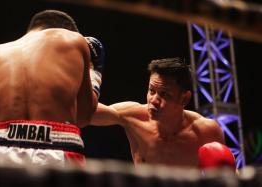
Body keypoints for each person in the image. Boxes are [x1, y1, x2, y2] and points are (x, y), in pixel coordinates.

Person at [0, 9, 105, 167]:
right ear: (65, 30)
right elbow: (84, 116)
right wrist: (95, 75)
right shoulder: (73, 39)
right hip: (57, 149)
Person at [91, 57, 234, 169]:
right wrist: (92, 75)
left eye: (164, 94)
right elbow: (85, 114)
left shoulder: (206, 132)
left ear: (184, 98)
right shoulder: (133, 115)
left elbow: (228, 177)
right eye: (151, 91)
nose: (154, 100)